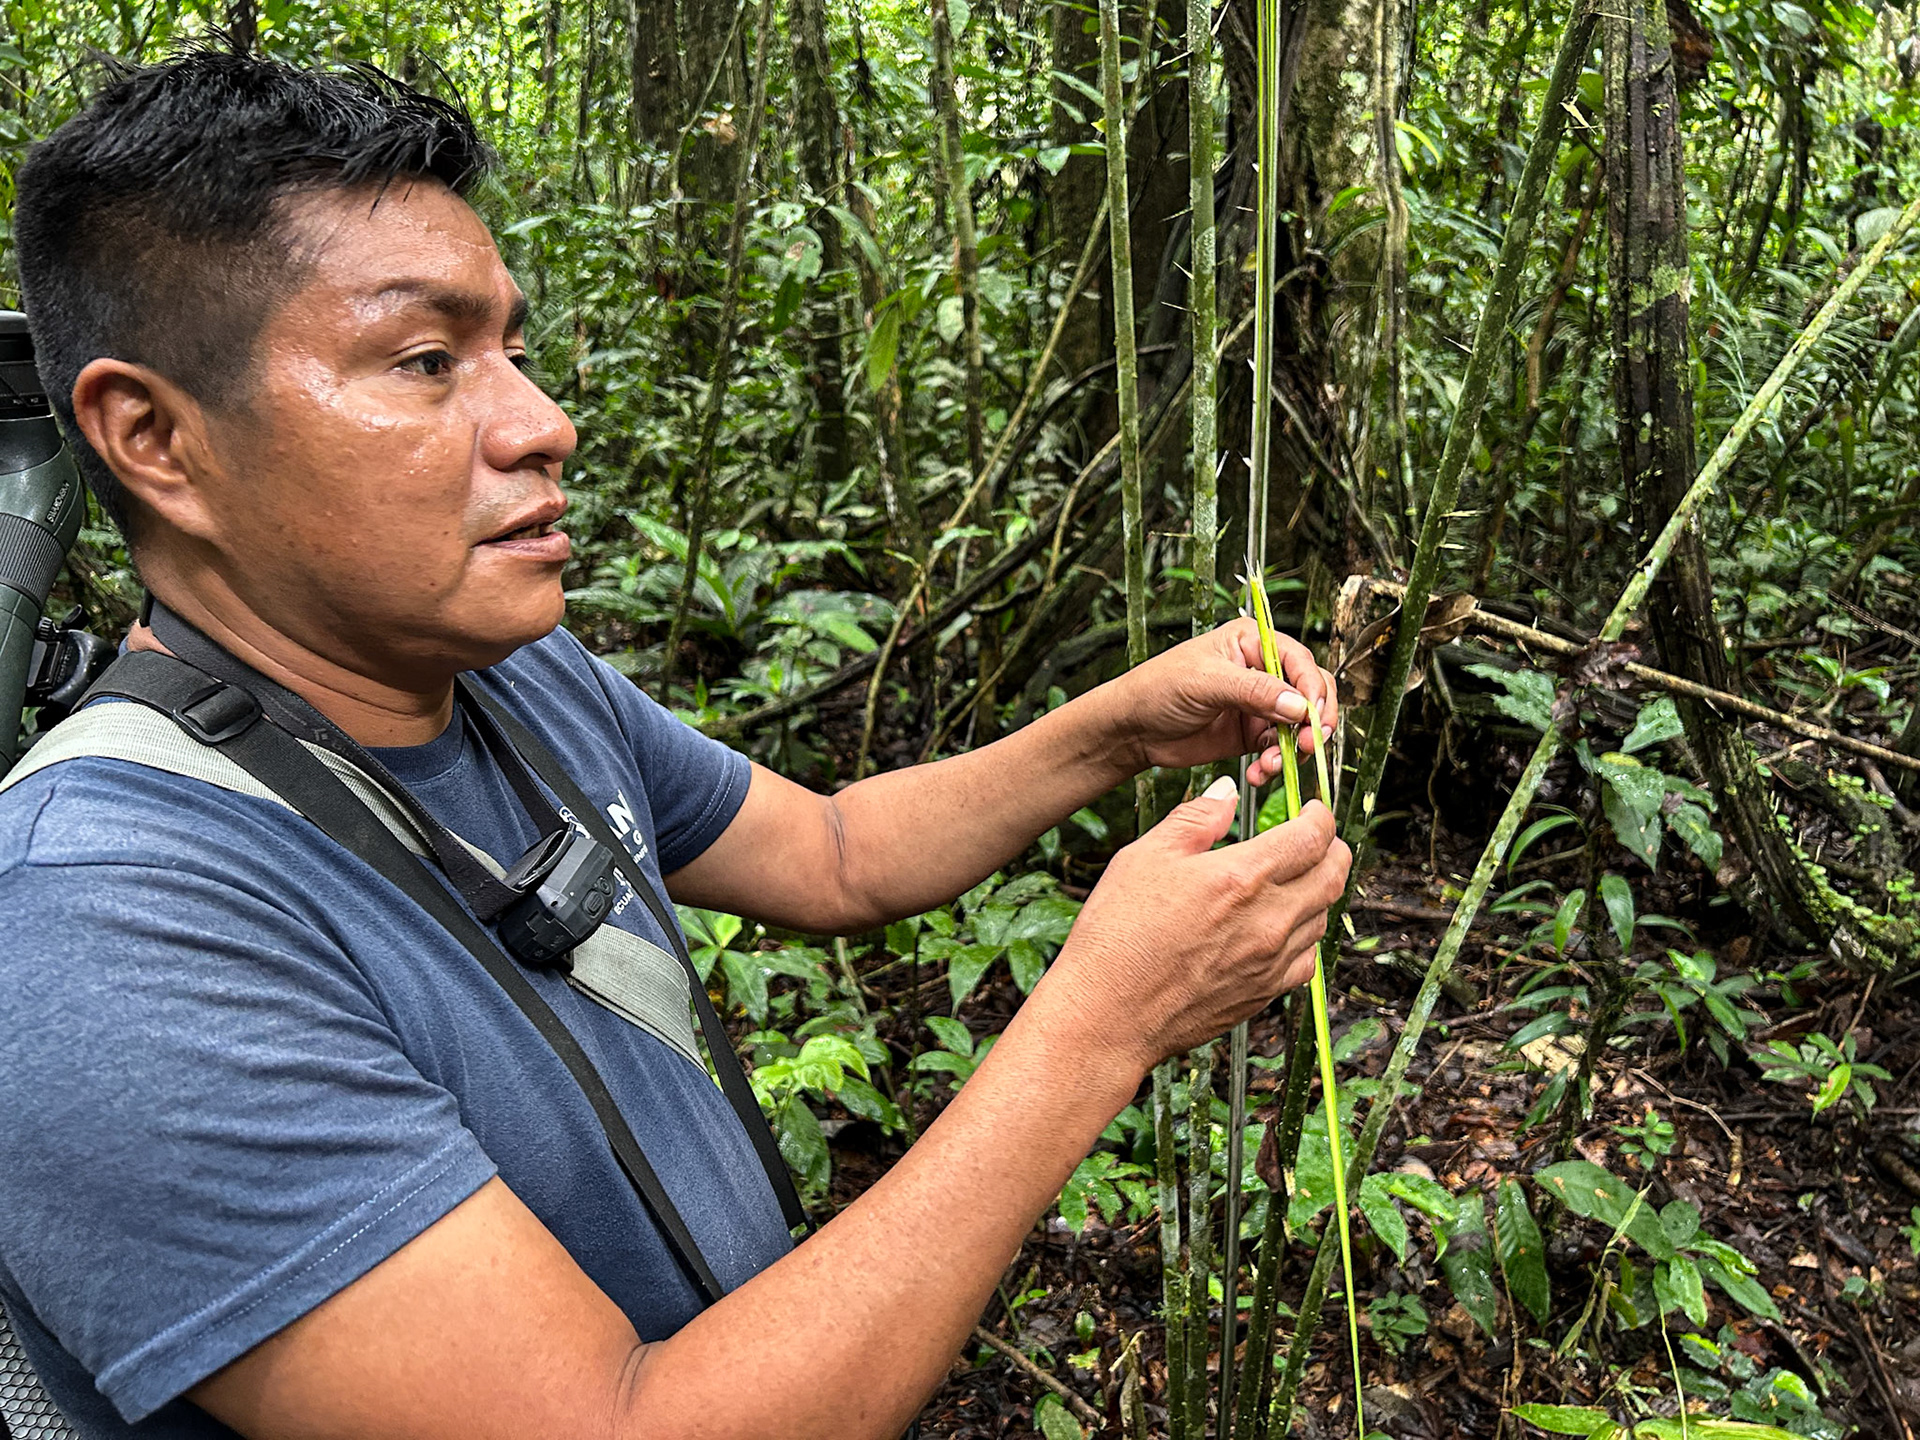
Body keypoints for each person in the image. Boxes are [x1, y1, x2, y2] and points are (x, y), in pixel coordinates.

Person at [0, 48, 1349, 1440]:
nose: (541, 423)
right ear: (155, 438)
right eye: (423, 360)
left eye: (512, 351)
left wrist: (1118, 729)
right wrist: (1105, 1021)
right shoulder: (103, 923)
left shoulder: (515, 677)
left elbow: (835, 854)